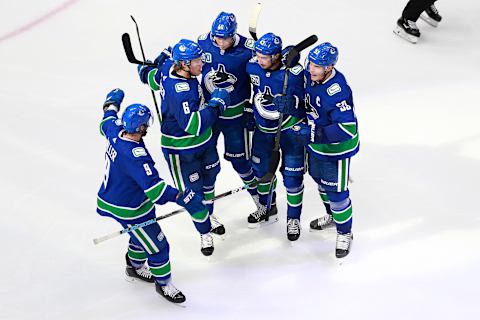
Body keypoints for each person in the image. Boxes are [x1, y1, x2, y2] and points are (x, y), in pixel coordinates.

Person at [97, 88, 211, 303]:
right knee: (159, 247)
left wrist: (111, 102)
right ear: (140, 127)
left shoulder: (115, 131)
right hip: (130, 208)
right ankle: (164, 284)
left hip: (117, 198)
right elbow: (156, 191)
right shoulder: (135, 157)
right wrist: (182, 196)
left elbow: (107, 119)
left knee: (140, 236)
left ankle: (134, 265)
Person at [137, 39, 230, 254]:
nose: (202, 63)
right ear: (185, 64)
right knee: (192, 193)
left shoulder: (168, 67)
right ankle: (204, 233)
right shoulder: (179, 90)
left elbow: (149, 78)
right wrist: (217, 103)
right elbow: (193, 125)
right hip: (181, 150)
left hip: (205, 144)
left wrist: (149, 65)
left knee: (210, 179)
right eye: (197, 61)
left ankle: (208, 214)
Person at [285, 43, 359, 258]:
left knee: (336, 192)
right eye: (311, 64)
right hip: (316, 145)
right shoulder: (311, 75)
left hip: (336, 150)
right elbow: (307, 101)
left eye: (318, 66)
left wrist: (312, 133)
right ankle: (333, 216)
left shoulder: (338, 91)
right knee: (320, 181)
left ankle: (345, 232)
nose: (312, 69)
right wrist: (291, 104)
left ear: (330, 67)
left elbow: (347, 129)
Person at [197, 12, 260, 218]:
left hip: (236, 117)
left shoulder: (249, 49)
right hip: (210, 115)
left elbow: (264, 77)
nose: (220, 42)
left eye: (225, 38)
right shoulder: (202, 42)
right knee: (207, 165)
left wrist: (254, 107)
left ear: (234, 34)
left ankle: (263, 202)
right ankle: (208, 215)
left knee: (241, 162)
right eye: (217, 37)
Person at [246, 32, 307, 241]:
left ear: (277, 56)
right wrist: (249, 114)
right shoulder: (252, 66)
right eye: (258, 55)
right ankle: (267, 208)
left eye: (265, 57)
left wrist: (294, 104)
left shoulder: (295, 73)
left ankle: (293, 219)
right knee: (261, 172)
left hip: (290, 131)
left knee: (292, 178)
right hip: (263, 132)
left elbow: (311, 100)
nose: (260, 60)